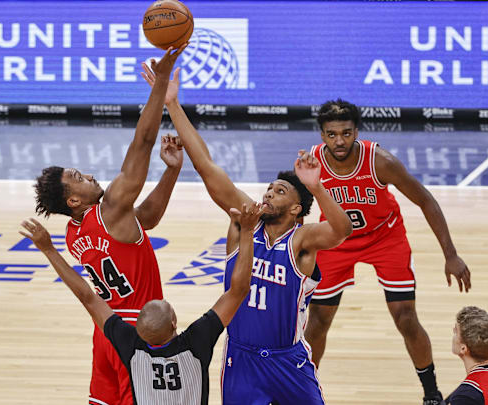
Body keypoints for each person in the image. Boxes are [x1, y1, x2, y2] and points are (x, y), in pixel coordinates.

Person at [141, 64, 353, 404]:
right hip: (242, 359)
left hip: (289, 359)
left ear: (297, 209)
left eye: (280, 191)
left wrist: (316, 185)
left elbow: (343, 230)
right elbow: (207, 167)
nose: (269, 193)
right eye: (269, 188)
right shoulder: (244, 220)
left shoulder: (300, 242)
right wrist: (172, 104)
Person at [32, 44, 186, 405]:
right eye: (77, 177)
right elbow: (143, 142)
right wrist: (159, 86)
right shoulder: (111, 207)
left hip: (105, 331)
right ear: (73, 200)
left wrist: (172, 172)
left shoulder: (75, 233)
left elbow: (146, 220)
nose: (88, 175)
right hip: (139, 331)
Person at [303, 99, 471, 405]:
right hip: (336, 240)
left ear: (356, 131)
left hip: (385, 237)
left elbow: (426, 200)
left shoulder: (380, 161)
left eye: (346, 132)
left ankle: (431, 392)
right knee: (317, 321)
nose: (339, 141)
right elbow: (296, 208)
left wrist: (450, 254)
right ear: (321, 134)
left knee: (405, 318)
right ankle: (302, 390)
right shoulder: (311, 163)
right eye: (331, 134)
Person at [20, 200, 264, 405]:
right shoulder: (196, 342)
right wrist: (247, 231)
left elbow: (87, 296)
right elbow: (239, 290)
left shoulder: (130, 347)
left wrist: (49, 249)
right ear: (174, 322)